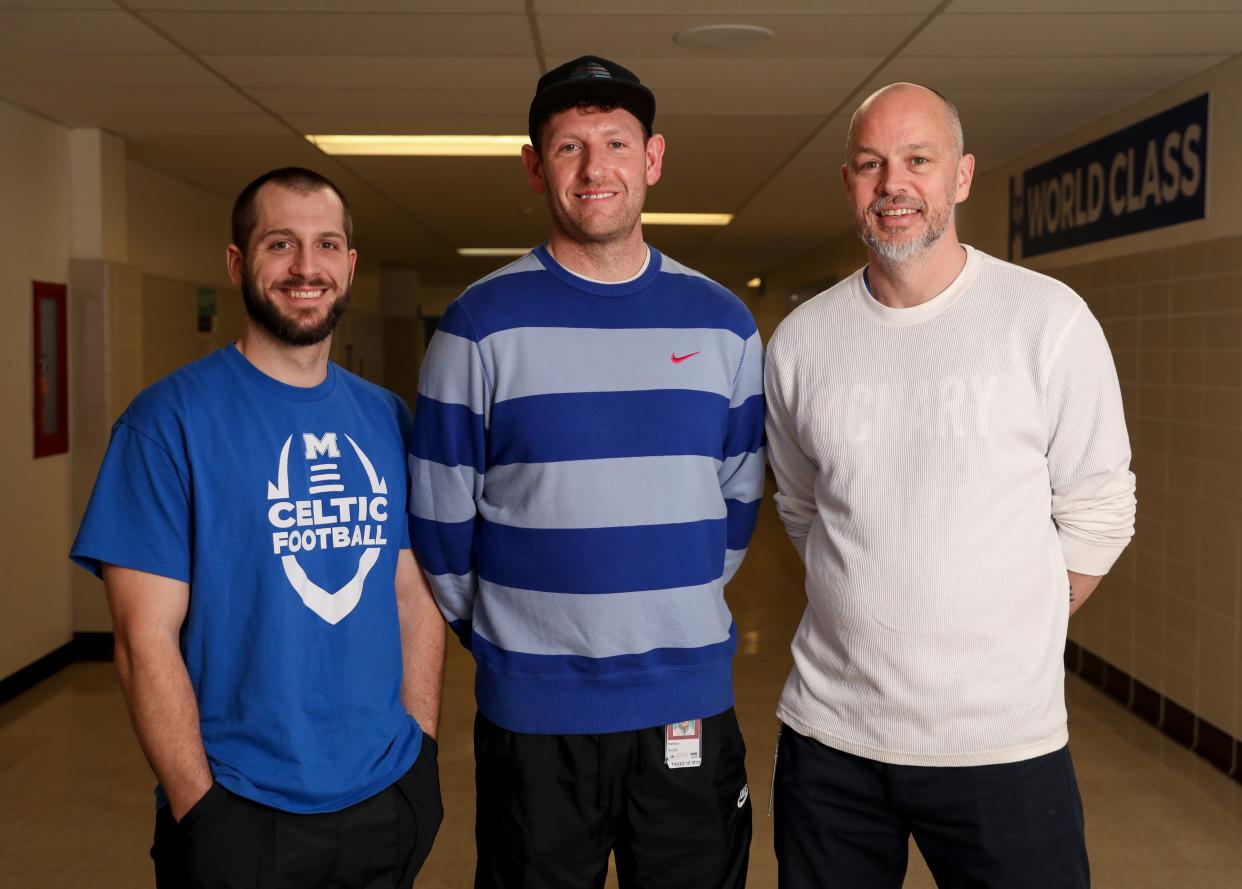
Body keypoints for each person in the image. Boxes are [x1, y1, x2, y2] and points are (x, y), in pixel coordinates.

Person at [764, 83, 1136, 888]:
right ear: (850, 184)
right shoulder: (802, 343)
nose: (894, 182)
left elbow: (1101, 508)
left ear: (961, 176)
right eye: (871, 164)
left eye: (918, 160)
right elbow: (802, 504)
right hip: (832, 746)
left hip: (1002, 746)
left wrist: (1010, 614)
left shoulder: (1046, 321)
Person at [409, 55, 764, 889]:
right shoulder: (477, 327)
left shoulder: (725, 325)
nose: (595, 167)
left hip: (686, 708)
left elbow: (738, 500)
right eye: (569, 147)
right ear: (535, 167)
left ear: (654, 158)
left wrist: (658, 609)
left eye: (615, 142)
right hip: (534, 720)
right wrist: (525, 640)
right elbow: (440, 524)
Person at [70, 167, 444, 889]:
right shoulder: (166, 424)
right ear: (238, 262)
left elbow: (411, 597)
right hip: (238, 809)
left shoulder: (387, 419)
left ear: (349, 264)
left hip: (385, 795)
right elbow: (140, 640)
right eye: (281, 244)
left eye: (326, 244)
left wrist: (419, 753)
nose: (307, 267)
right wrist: (200, 806)